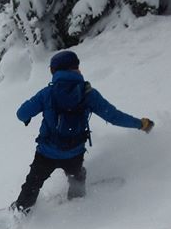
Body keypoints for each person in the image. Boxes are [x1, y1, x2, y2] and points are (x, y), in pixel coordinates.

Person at [12, 50, 154, 214]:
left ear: (55, 71)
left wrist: (27, 118)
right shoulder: (88, 94)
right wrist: (141, 124)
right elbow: (114, 117)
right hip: (74, 152)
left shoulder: (47, 93)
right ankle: (77, 202)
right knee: (76, 176)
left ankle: (21, 210)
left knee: (33, 183)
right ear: (76, 68)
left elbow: (21, 113)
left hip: (46, 152)